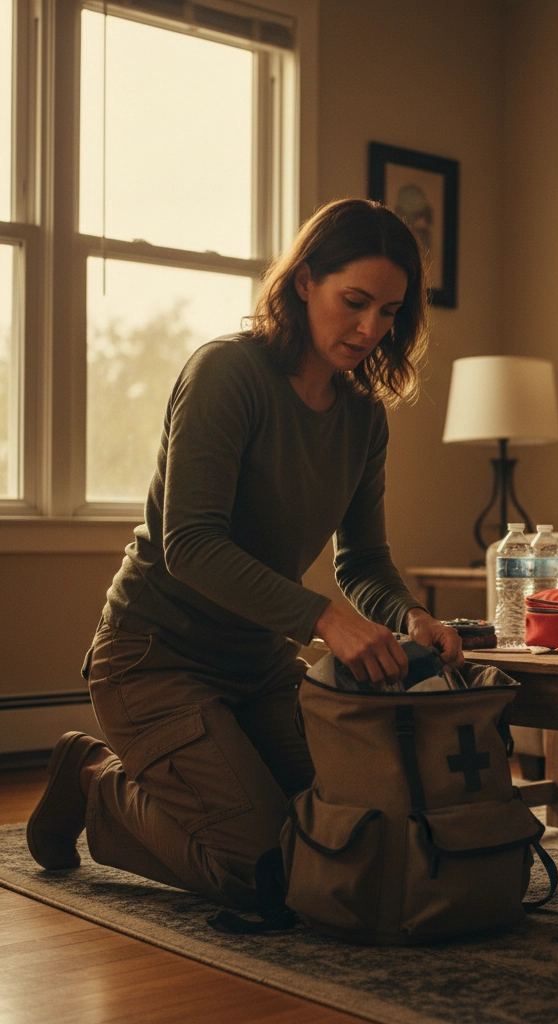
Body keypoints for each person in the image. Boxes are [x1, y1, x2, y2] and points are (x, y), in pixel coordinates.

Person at [26, 199, 463, 912]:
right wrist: (325, 619)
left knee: (350, 838)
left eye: (389, 311)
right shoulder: (226, 373)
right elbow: (190, 545)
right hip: (155, 660)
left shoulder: (362, 416)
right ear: (304, 282)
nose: (369, 328)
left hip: (259, 667)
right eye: (354, 302)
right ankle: (95, 778)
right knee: (266, 873)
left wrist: (410, 614)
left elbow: (363, 559)